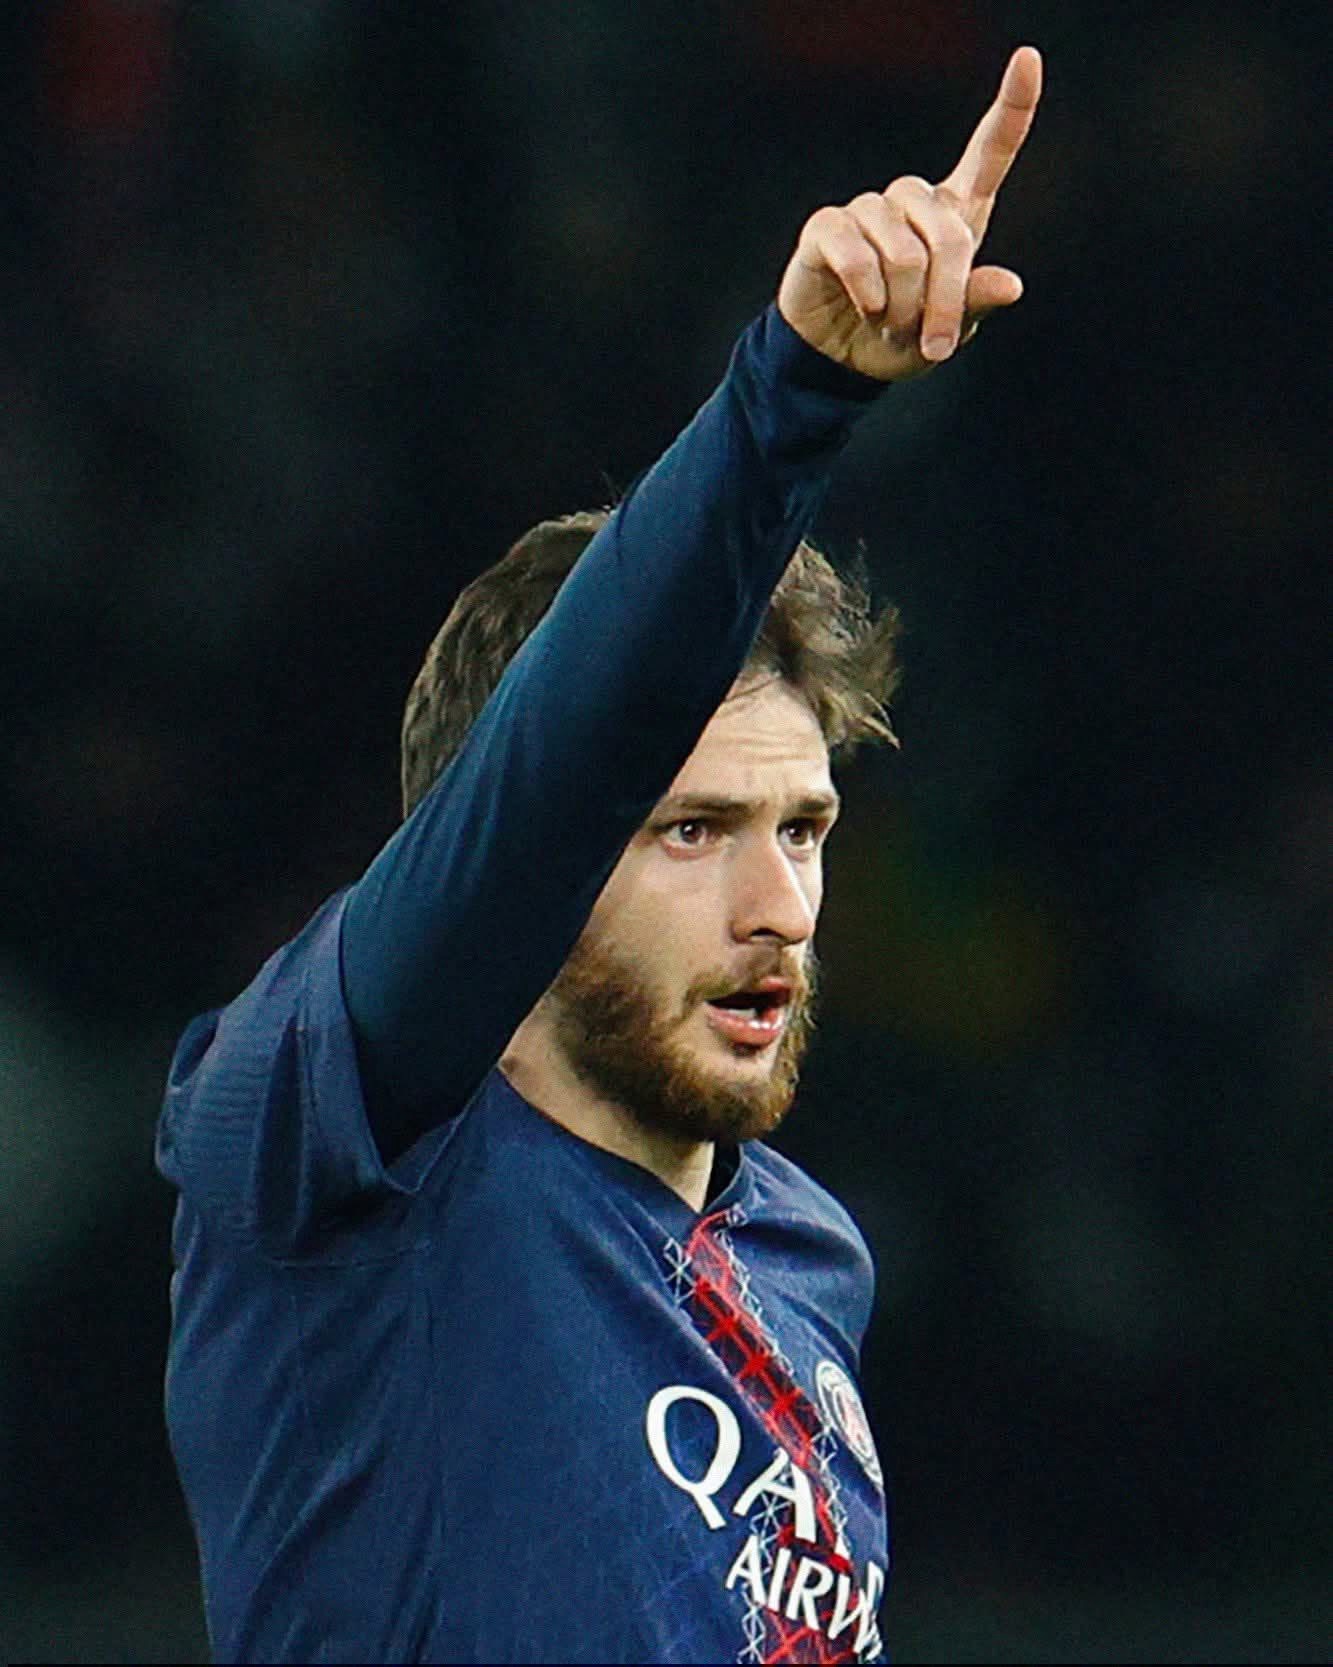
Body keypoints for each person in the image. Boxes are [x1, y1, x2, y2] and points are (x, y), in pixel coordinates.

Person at [156, 46, 1042, 1665]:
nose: (778, 909)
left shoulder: (805, 1260)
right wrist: (789, 397)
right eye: (688, 831)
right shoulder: (340, 1154)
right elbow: (562, 764)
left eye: (803, 830)